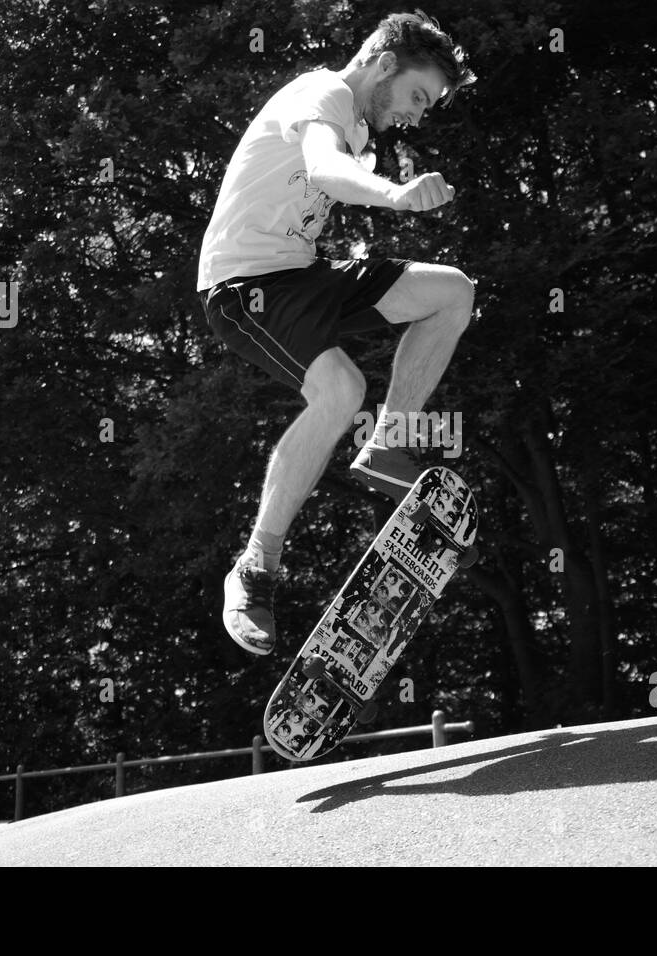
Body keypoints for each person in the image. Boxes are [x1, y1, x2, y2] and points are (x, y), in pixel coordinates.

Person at [196, 10, 477, 656]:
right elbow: (322, 169)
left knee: (451, 293)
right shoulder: (321, 94)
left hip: (301, 276)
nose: (416, 115)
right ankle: (255, 569)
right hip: (244, 288)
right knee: (341, 388)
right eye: (416, 96)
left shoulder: (361, 129)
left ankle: (387, 447)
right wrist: (397, 195)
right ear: (383, 64)